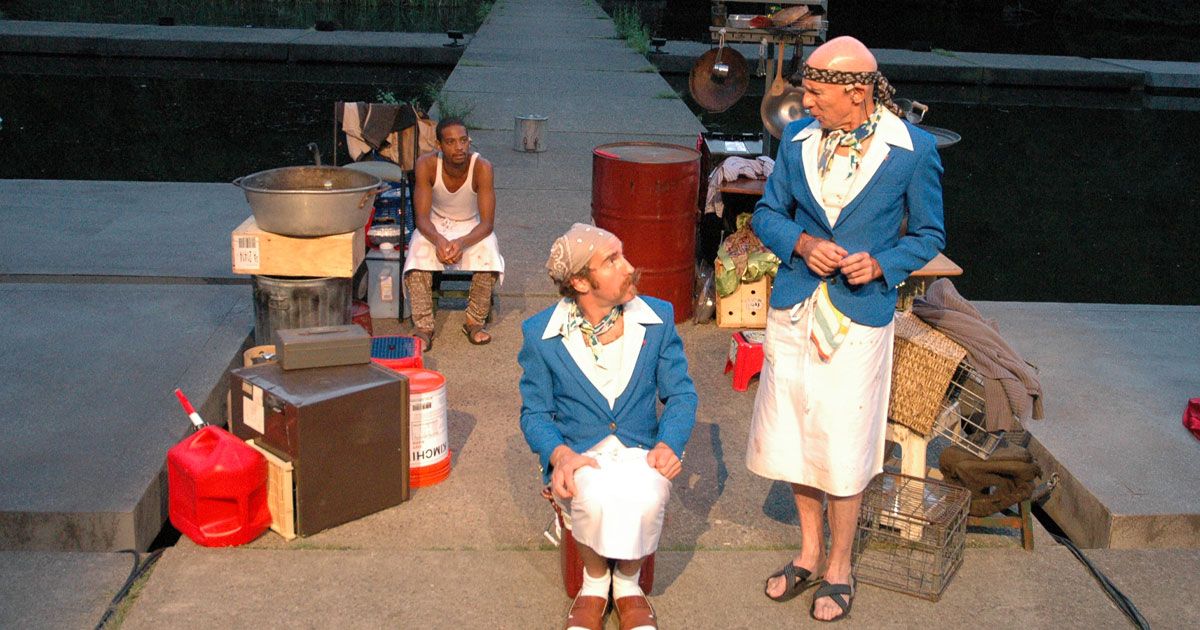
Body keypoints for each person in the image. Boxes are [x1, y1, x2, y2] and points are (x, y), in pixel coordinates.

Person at [746, 36, 946, 622]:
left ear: (857, 91)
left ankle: (840, 567)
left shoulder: (912, 149)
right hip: (795, 308)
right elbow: (765, 214)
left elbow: (930, 235)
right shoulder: (798, 141)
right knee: (794, 436)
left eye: (816, 89)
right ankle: (807, 554)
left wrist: (883, 262)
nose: (805, 100)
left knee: (842, 440)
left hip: (857, 319)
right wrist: (802, 244)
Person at [518, 223, 697, 630]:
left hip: (641, 448)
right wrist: (561, 455)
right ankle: (595, 583)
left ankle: (629, 584)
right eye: (612, 260)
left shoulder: (658, 319)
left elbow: (682, 395)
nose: (629, 267)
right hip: (581, 450)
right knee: (592, 495)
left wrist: (669, 443)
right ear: (580, 281)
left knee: (647, 494)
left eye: (623, 254)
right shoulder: (541, 335)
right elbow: (535, 413)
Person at [402, 117, 503, 350]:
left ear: (469, 142)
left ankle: (475, 321)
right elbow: (421, 218)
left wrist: (462, 241)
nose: (459, 147)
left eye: (463, 140)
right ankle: (424, 326)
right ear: (439, 145)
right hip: (435, 226)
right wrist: (439, 240)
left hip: (471, 227)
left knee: (488, 249)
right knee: (417, 249)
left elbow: (487, 223)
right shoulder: (426, 165)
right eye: (450, 142)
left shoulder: (482, 167)